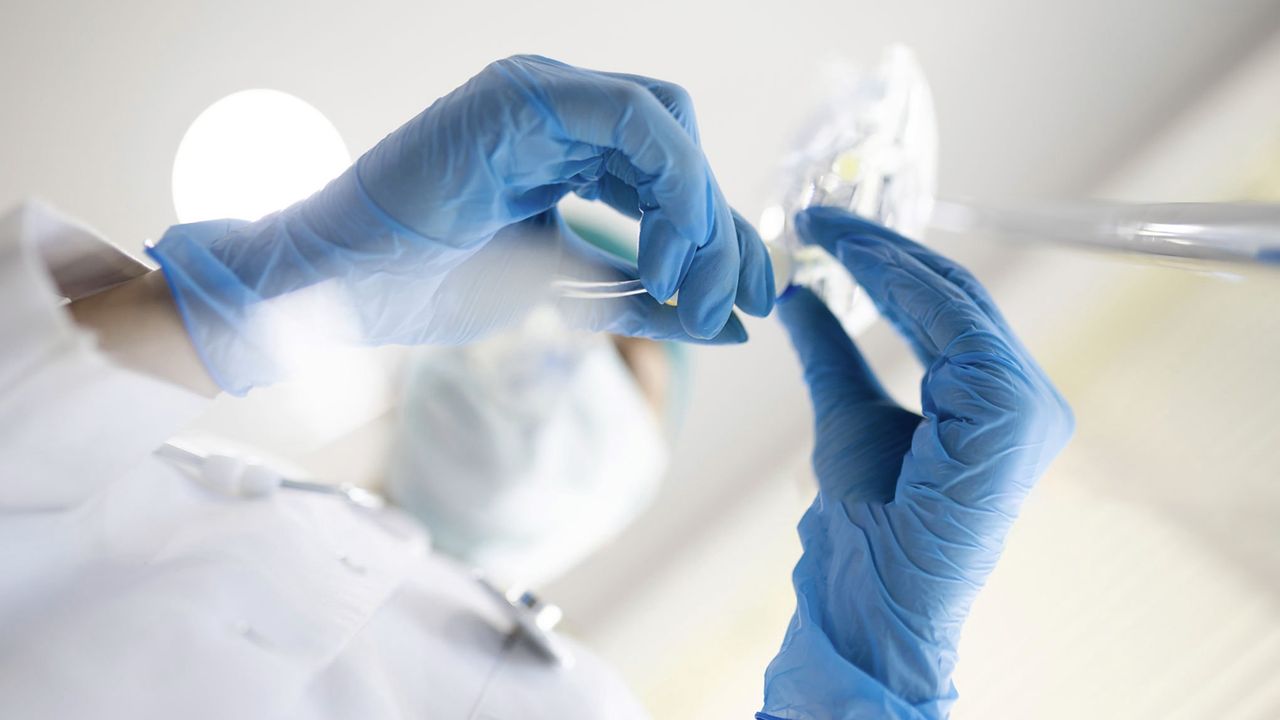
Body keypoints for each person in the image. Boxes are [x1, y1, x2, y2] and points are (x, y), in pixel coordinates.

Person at [0, 54, 1071, 719]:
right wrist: (269, 282)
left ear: (642, 473)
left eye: (624, 355)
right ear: (420, 347)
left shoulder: (585, 707)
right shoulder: (167, 480)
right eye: (550, 311)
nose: (559, 356)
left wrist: (866, 673)